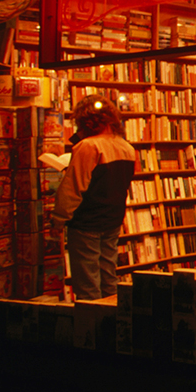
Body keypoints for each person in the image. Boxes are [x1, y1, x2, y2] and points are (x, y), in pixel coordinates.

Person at [50, 95, 136, 300]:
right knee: (109, 274)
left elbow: (74, 188)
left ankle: (92, 326)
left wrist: (59, 219)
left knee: (87, 282)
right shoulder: (127, 148)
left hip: (87, 222)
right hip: (113, 220)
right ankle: (111, 320)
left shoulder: (88, 146)